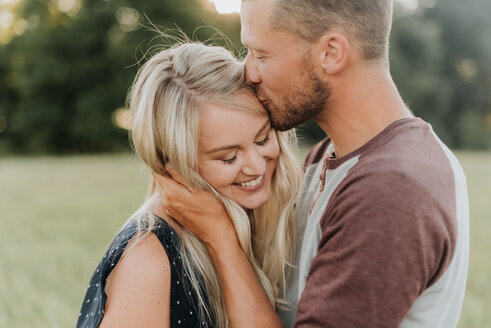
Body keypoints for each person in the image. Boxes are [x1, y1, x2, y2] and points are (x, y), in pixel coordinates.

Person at [154, 0, 470, 327]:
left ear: (331, 53)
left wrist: (222, 241)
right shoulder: (328, 158)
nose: (248, 72)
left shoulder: (391, 190)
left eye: (261, 54)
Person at [76, 42, 303, 328]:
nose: (257, 166)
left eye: (263, 139)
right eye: (228, 157)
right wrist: (222, 239)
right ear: (175, 166)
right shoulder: (148, 260)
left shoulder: (277, 212)